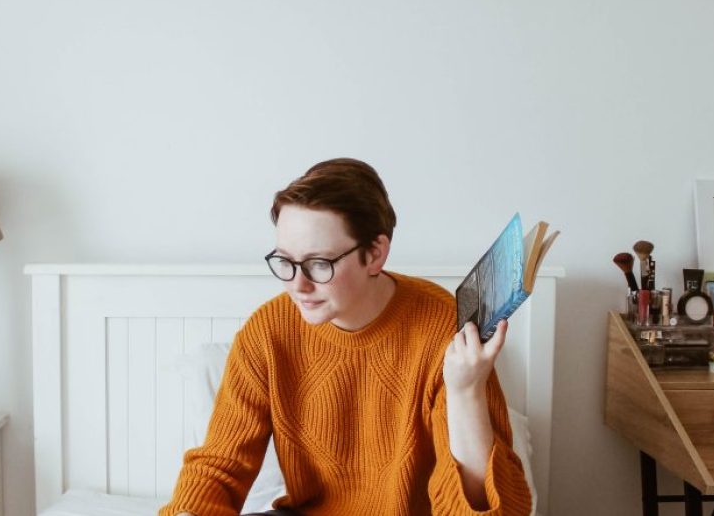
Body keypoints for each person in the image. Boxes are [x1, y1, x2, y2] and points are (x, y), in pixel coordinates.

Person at [160, 158, 531, 516]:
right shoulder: (269, 330)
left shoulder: (441, 329)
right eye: (285, 261)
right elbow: (221, 463)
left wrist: (467, 391)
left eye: (319, 263)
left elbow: (490, 510)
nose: (297, 284)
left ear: (375, 254)